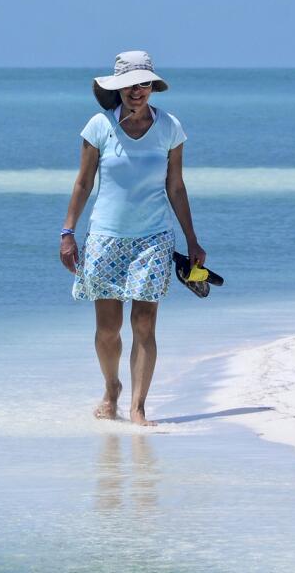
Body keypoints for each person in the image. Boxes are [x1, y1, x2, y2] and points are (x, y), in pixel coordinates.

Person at [60, 51, 206, 426]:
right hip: (105, 237)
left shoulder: (170, 127)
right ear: (118, 88)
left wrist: (192, 239)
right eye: (129, 85)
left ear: (152, 86)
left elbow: (176, 186)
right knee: (108, 329)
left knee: (144, 324)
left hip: (153, 238)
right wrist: (68, 232)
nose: (136, 91)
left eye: (143, 83)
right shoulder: (99, 126)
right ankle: (112, 389)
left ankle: (138, 407)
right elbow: (83, 182)